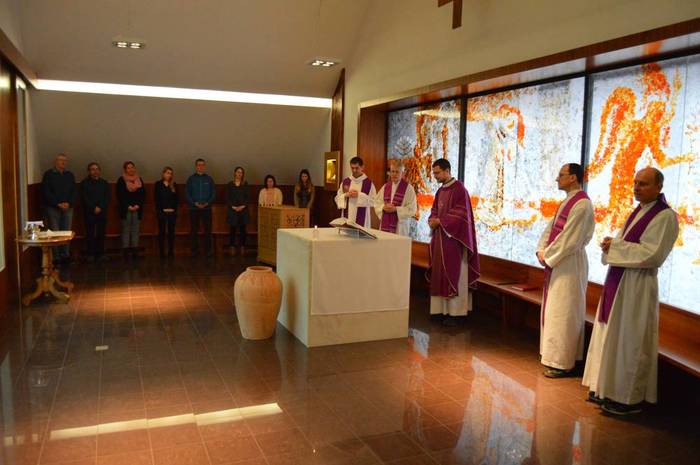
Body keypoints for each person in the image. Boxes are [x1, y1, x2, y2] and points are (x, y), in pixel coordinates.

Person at [582, 167, 679, 416]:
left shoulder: (665, 216)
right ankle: (605, 388)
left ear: (659, 187)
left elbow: (653, 254)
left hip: (637, 286)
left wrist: (615, 246)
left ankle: (627, 398)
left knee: (630, 341)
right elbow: (623, 243)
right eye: (635, 182)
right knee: (613, 336)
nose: (636, 187)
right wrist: (610, 244)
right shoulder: (638, 211)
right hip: (619, 282)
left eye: (643, 183)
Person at [535, 163, 594, 378]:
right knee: (556, 311)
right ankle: (553, 356)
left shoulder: (582, 204)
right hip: (559, 261)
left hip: (570, 264)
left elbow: (570, 239)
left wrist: (548, 255)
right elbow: (551, 229)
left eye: (561, 175)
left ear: (573, 178)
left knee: (565, 312)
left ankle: (563, 361)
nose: (557, 178)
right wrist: (541, 250)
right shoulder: (568, 201)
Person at [427, 159, 480, 326]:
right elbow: (434, 210)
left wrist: (441, 221)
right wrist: (432, 219)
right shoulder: (440, 191)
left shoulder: (459, 189)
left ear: (447, 170)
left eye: (437, 173)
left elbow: (462, 215)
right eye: (434, 173)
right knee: (439, 275)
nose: (435, 176)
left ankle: (456, 314)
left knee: (455, 274)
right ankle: (440, 311)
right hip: (440, 239)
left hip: (455, 240)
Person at [41, 153, 76, 264]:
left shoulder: (69, 175)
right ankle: (56, 257)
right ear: (55, 162)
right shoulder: (48, 174)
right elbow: (46, 191)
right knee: (54, 232)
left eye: (65, 160)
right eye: (61, 160)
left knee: (66, 232)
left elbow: (73, 190)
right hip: (53, 207)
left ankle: (65, 255)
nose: (63, 162)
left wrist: (68, 203)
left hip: (68, 207)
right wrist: (57, 203)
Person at [374, 161, 417, 236]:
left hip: (400, 226)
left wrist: (396, 209)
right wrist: (383, 207)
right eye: (392, 171)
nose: (394, 174)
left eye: (397, 172)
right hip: (385, 223)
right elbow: (377, 202)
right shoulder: (385, 187)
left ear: (402, 173)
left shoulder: (409, 189)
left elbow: (412, 209)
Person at [335, 156, 376, 228]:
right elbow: (337, 198)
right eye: (352, 168)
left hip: (362, 217)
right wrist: (346, 195)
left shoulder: (368, 183)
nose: (354, 170)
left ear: (362, 167)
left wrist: (359, 195)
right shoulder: (345, 182)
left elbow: (374, 201)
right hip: (347, 216)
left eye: (357, 168)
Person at [80, 162, 110, 262]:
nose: (95, 171)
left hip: (102, 211)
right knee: (90, 233)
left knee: (101, 233)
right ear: (89, 171)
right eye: (93, 169)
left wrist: (100, 207)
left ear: (100, 171)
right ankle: (91, 254)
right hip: (89, 212)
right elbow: (84, 198)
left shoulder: (104, 183)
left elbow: (107, 197)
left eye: (97, 169)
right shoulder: (85, 183)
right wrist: (93, 208)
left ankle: (101, 253)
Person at [186, 158, 216, 257]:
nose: (201, 166)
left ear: (204, 166)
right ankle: (194, 250)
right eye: (199, 165)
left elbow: (213, 194)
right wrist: (194, 203)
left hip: (207, 208)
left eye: (202, 165)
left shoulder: (209, 179)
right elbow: (187, 194)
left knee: (208, 230)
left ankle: (208, 251)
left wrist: (207, 203)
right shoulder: (191, 179)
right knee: (194, 230)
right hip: (194, 209)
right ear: (196, 166)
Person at [116, 161, 145, 260]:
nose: (131, 169)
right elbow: (120, 195)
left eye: (132, 167)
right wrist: (128, 206)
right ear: (125, 170)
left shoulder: (139, 179)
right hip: (126, 209)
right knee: (126, 229)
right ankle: (126, 252)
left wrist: (137, 205)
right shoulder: (121, 180)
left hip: (137, 208)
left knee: (135, 230)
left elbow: (142, 194)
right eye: (128, 168)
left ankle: (135, 251)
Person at [155, 166, 178, 259]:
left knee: (171, 233)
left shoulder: (173, 185)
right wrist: (162, 209)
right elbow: (157, 198)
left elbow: (176, 199)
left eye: (171, 173)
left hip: (172, 212)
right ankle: (161, 252)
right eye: (167, 173)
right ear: (163, 173)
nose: (169, 175)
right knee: (162, 232)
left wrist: (173, 209)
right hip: (162, 212)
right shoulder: (158, 184)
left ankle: (171, 251)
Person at [226, 166, 250, 255]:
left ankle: (242, 247)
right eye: (238, 172)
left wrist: (242, 206)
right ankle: (232, 247)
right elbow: (227, 197)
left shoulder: (245, 184)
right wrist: (233, 207)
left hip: (243, 210)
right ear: (235, 173)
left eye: (241, 172)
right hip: (232, 210)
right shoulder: (230, 184)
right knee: (232, 229)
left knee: (243, 230)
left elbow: (248, 198)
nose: (239, 174)